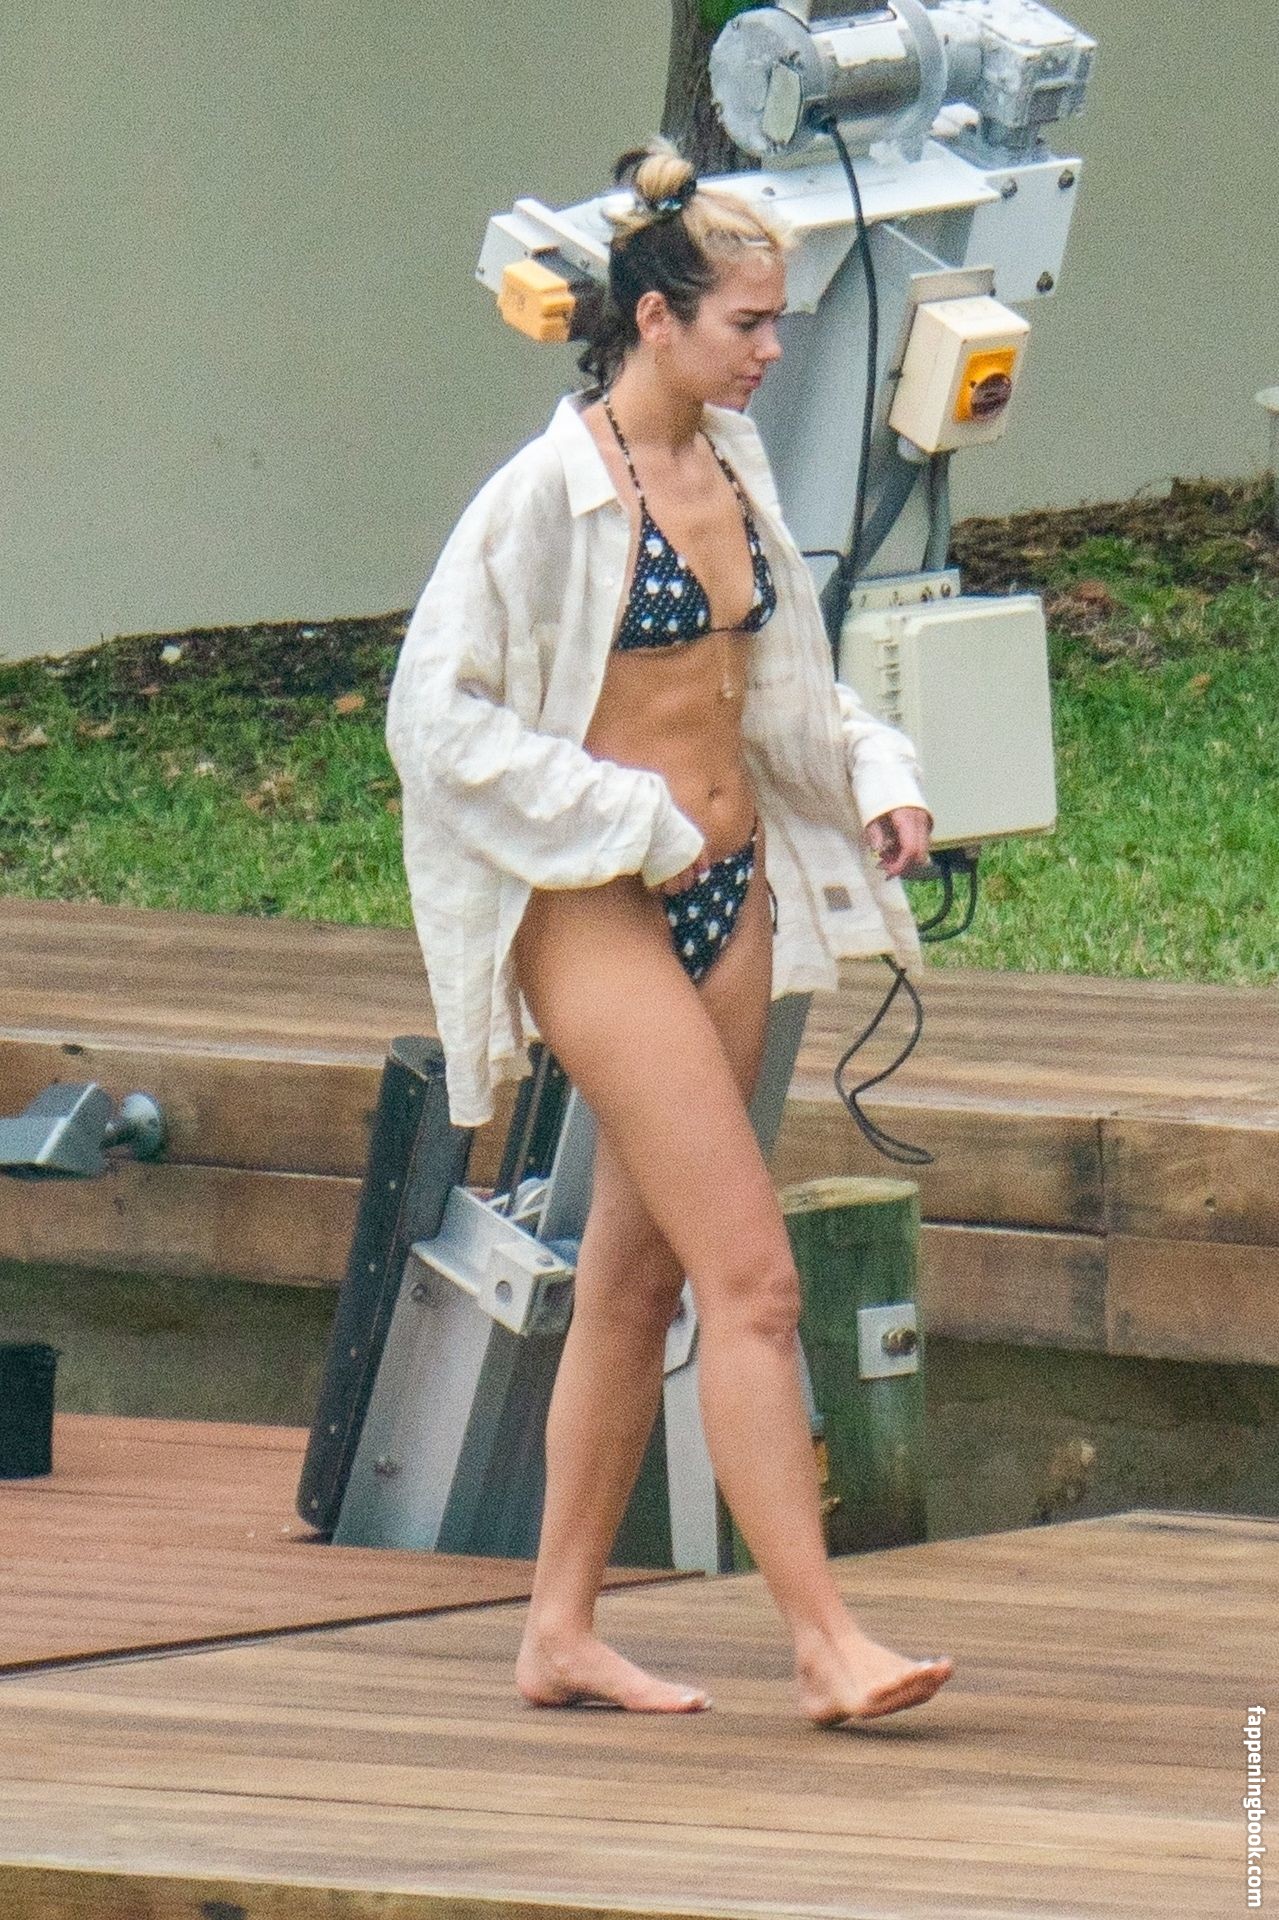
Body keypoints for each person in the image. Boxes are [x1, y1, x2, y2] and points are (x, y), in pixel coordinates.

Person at [385, 139, 952, 1726]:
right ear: (654, 318)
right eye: (747, 324)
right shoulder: (544, 496)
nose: (773, 351)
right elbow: (437, 725)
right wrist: (629, 821)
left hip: (733, 895)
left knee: (637, 1285)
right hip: (602, 904)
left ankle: (558, 1630)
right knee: (754, 1282)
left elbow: (781, 691)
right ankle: (825, 1642)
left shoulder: (734, 469)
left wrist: (879, 778)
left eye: (778, 322)